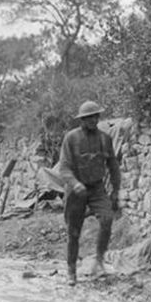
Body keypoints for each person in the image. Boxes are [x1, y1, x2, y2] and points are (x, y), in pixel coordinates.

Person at [57, 101, 121, 286]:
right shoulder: (71, 138)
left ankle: (99, 261)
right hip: (76, 190)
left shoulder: (105, 139)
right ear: (82, 120)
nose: (93, 120)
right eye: (89, 118)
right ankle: (71, 270)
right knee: (73, 232)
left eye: (95, 117)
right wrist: (75, 184)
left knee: (107, 219)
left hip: (97, 188)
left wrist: (116, 190)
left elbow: (113, 166)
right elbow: (64, 167)